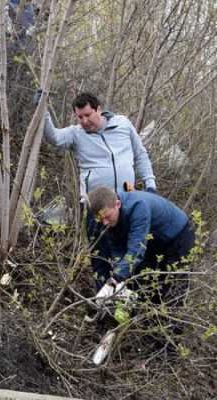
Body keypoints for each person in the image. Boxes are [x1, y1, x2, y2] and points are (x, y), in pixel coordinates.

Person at [35, 91, 157, 285]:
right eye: (80, 117)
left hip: (124, 204)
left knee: (128, 256)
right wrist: (43, 110)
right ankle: (103, 304)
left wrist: (150, 184)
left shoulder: (123, 124)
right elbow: (54, 138)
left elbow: (140, 155)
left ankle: (125, 306)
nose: (84, 121)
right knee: (101, 259)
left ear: (99, 110)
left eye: (88, 115)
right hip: (95, 209)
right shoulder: (76, 134)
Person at [86, 186, 194, 306]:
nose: (105, 223)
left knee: (173, 287)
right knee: (144, 282)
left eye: (107, 217)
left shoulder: (138, 206)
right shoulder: (111, 221)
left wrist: (114, 280)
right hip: (153, 240)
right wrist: (120, 279)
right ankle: (145, 320)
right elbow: (118, 250)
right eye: (101, 219)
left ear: (118, 204)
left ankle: (173, 323)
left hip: (179, 237)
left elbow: (136, 251)